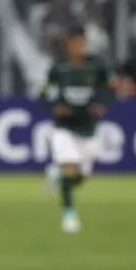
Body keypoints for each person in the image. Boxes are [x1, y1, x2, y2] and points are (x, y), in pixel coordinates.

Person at [41, 27, 112, 233]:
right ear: (68, 44)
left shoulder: (97, 66)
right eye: (74, 43)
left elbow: (109, 90)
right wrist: (54, 106)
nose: (78, 47)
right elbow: (43, 92)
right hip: (64, 127)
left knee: (79, 177)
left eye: (82, 43)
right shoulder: (58, 67)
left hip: (88, 127)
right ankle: (69, 216)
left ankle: (56, 174)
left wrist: (102, 105)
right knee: (70, 167)